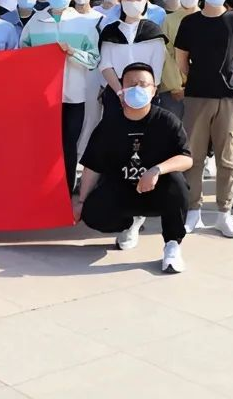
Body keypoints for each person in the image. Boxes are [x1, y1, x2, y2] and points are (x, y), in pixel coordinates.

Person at [75, 63, 192, 274]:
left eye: (143, 84)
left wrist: (156, 170)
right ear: (121, 89)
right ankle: (128, 224)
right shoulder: (109, 125)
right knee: (92, 212)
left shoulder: (166, 121)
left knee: (178, 184)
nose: (137, 88)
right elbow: (92, 166)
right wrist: (81, 202)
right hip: (122, 190)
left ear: (154, 90)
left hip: (156, 190)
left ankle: (172, 245)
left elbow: (186, 158)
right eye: (131, 84)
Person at [173, 0, 233, 238]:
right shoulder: (190, 22)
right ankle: (193, 210)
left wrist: (232, 81)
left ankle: (224, 213)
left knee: (227, 158)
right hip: (196, 97)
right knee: (193, 157)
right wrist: (196, 78)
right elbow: (181, 59)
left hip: (228, 99)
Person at [20, 0, 100, 193]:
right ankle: (42, 189)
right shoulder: (36, 21)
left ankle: (65, 189)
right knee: (44, 145)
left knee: (68, 144)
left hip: (73, 96)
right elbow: (22, 53)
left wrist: (73, 52)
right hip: (43, 97)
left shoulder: (83, 24)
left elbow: (94, 59)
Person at [99, 0, 167, 120]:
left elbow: (157, 68)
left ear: (146, 1)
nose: (133, 2)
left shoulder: (154, 32)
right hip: (115, 93)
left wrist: (146, 92)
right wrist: (120, 92)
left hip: (146, 94)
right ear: (121, 0)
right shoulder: (110, 31)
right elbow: (105, 65)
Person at [159, 0, 201, 120]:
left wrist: (194, 85)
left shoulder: (209, 19)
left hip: (201, 90)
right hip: (173, 92)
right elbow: (166, 53)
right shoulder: (169, 20)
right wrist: (176, 86)